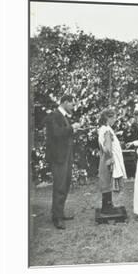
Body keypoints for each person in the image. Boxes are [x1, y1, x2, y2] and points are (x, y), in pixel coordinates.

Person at [44, 94, 81, 230]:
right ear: (65, 102)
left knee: (65, 184)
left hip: (66, 156)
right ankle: (57, 218)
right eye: (72, 104)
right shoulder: (54, 115)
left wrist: (74, 129)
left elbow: (64, 134)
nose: (73, 107)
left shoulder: (64, 117)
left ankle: (59, 213)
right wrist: (72, 128)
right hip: (59, 157)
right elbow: (57, 133)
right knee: (60, 185)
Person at [97, 108, 127, 215]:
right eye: (113, 117)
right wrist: (111, 160)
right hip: (108, 159)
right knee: (107, 181)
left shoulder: (103, 128)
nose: (115, 120)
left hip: (105, 158)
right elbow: (108, 148)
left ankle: (108, 205)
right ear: (107, 118)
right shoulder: (106, 130)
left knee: (106, 181)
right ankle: (106, 207)